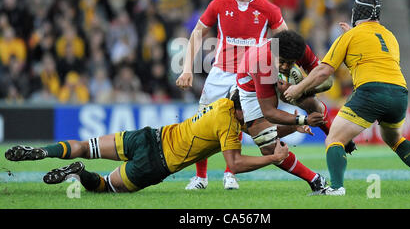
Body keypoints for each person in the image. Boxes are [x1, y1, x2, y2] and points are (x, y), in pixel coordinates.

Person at [283, 0, 410, 195]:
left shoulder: (350, 36)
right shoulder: (390, 36)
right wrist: (354, 37)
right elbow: (373, 57)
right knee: (394, 138)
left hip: (371, 91)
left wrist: (297, 89)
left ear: (356, 13)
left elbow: (324, 71)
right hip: (399, 93)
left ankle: (337, 187)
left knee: (334, 139)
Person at [4, 92, 315, 193]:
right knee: (102, 187)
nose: (254, 118)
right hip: (154, 165)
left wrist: (293, 126)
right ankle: (78, 172)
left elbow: (258, 129)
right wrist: (271, 159)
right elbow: (235, 163)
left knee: (86, 144)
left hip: (150, 135)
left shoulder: (222, 105)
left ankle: (43, 151)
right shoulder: (230, 127)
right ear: (241, 111)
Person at [176, 0, 288, 190]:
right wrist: (187, 68)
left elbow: (286, 42)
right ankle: (201, 177)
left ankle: (230, 173)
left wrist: (280, 71)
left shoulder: (268, 9)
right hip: (220, 72)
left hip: (250, 77)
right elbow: (197, 34)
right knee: (202, 124)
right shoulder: (218, 4)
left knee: (237, 122)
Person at [235, 29, 336, 194]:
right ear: (275, 53)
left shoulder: (301, 49)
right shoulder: (262, 62)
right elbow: (269, 111)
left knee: (310, 102)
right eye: (282, 61)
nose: (285, 66)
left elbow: (325, 78)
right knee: (268, 146)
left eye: (290, 63)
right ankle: (315, 180)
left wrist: (301, 87)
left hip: (276, 78)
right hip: (251, 88)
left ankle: (334, 137)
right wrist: (303, 120)